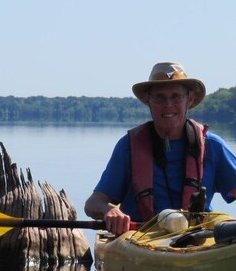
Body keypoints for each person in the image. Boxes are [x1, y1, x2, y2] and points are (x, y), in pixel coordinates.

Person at [84, 61, 236, 235]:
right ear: (148, 100)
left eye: (176, 96)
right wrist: (109, 211)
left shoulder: (213, 145)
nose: (168, 104)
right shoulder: (128, 146)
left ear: (190, 99)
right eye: (159, 97)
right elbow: (93, 204)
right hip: (140, 239)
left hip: (197, 239)